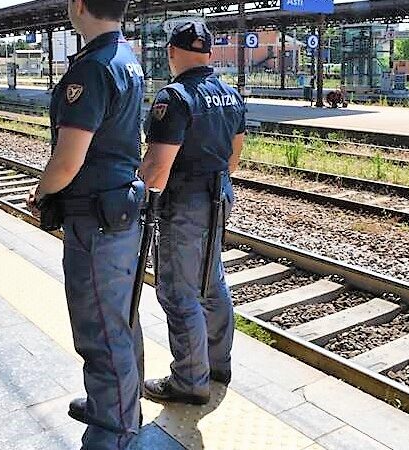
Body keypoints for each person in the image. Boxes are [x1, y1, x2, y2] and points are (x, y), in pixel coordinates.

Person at [26, 0, 145, 448]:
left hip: (94, 220)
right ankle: (118, 409)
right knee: (120, 320)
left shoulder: (92, 68)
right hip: (118, 211)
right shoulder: (126, 59)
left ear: (79, 5)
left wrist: (42, 192)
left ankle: (111, 435)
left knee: (100, 330)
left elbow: (68, 158)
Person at [140, 21, 246, 405]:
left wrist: (141, 194)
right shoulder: (230, 95)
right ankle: (218, 365)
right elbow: (234, 159)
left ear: (171, 52)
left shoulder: (175, 96)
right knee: (211, 280)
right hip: (220, 193)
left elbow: (157, 168)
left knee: (179, 290)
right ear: (209, 54)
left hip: (185, 201)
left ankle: (189, 380)